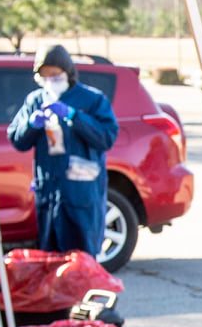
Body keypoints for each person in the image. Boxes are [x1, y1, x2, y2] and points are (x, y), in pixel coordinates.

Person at [7, 44, 118, 255]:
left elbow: (106, 137)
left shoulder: (92, 100)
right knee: (52, 261)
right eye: (45, 75)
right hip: (49, 194)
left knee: (81, 259)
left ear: (67, 72)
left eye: (55, 74)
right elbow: (18, 140)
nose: (51, 80)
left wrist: (74, 116)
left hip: (81, 195)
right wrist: (31, 125)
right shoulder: (36, 101)